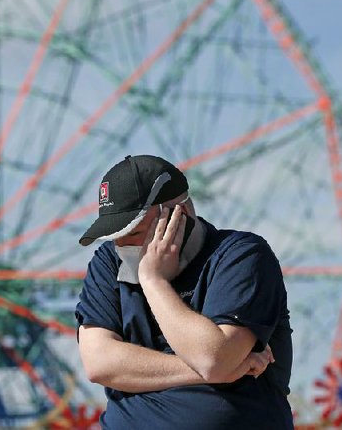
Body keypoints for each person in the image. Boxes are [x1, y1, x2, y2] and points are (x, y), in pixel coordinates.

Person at [75, 155, 293, 429]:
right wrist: (211, 372)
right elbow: (99, 362)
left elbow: (212, 358)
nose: (120, 244)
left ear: (180, 215)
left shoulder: (242, 256)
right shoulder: (108, 261)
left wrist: (154, 280)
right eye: (115, 235)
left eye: (133, 232)